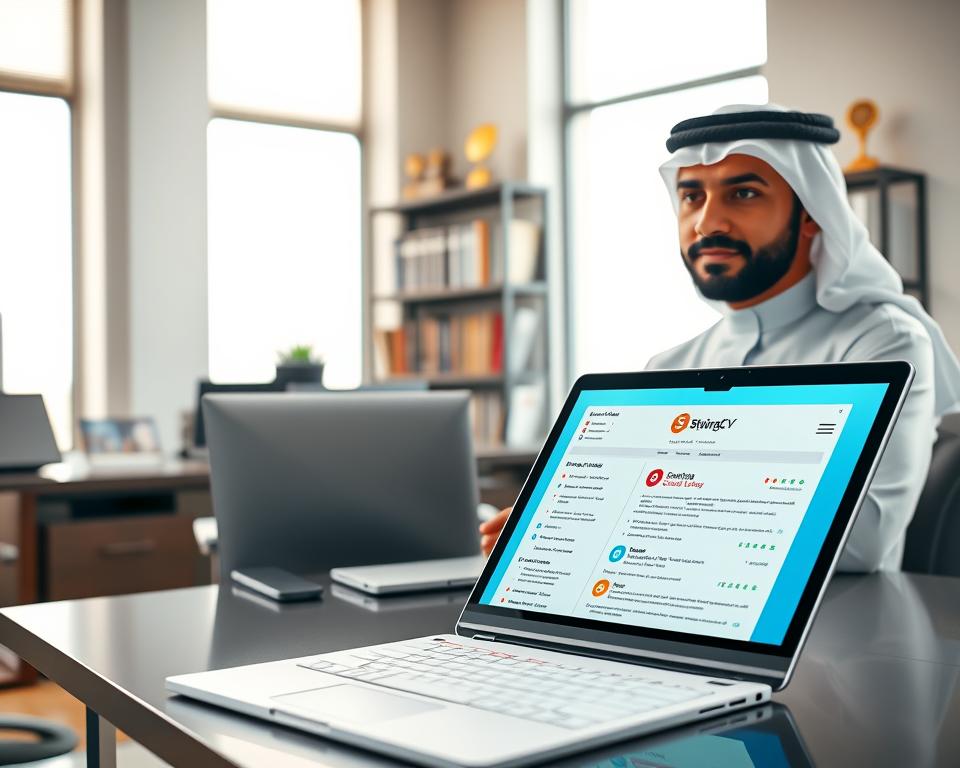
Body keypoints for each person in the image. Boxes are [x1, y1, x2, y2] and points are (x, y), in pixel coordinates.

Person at [481, 104, 960, 572]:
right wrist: (564, 532)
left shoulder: (884, 342)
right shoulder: (666, 368)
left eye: (743, 194)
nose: (708, 223)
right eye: (692, 197)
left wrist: (649, 509)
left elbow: (861, 541)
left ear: (812, 213)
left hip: (838, 637)